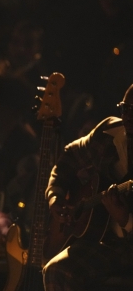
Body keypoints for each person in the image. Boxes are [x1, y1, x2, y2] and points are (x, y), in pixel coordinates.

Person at [42, 84, 133, 290]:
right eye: (125, 109)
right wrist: (56, 197)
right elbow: (68, 160)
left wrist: (125, 220)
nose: (128, 116)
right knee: (56, 270)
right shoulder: (109, 132)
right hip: (105, 243)